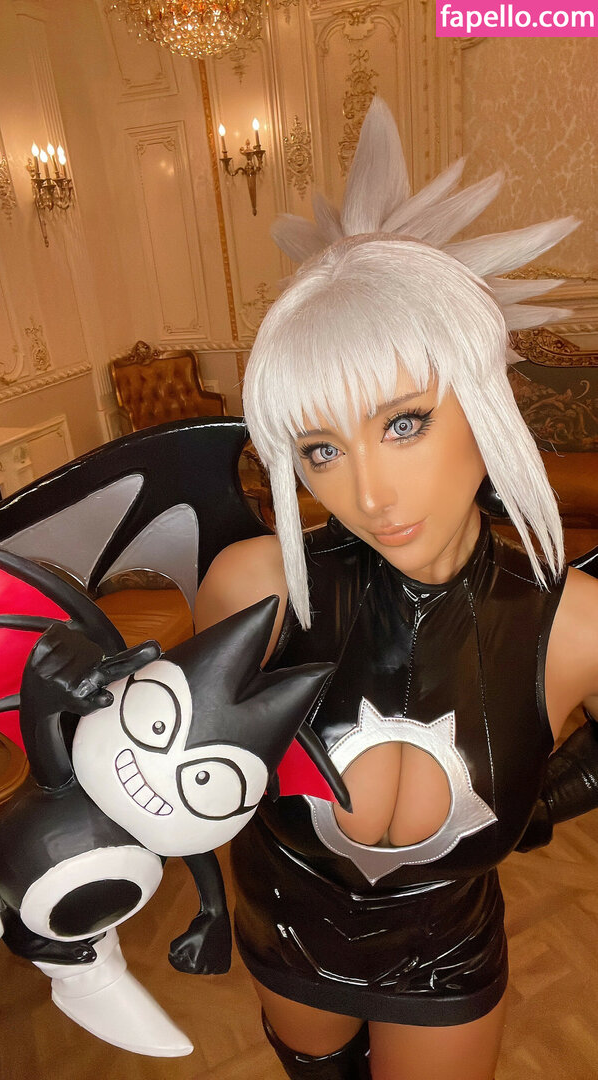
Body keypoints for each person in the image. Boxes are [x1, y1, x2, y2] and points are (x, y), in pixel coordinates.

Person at [194, 99, 598, 1080]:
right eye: (320, 449)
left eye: (402, 423)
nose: (366, 493)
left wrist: (533, 804)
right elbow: (200, 766)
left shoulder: (575, 627)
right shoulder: (254, 585)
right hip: (285, 926)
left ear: (485, 401)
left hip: (444, 951)